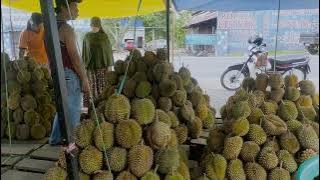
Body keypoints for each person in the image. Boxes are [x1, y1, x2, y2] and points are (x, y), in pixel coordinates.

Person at [49, 0, 89, 145]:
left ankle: (55, 139)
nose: (77, 10)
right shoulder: (66, 29)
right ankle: (71, 146)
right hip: (69, 74)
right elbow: (75, 57)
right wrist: (84, 78)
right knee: (72, 109)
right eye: (75, 6)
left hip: (57, 73)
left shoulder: (50, 26)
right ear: (63, 7)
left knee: (62, 108)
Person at [82, 17, 114, 107]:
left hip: (102, 67)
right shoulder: (87, 36)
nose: (93, 26)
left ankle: (101, 106)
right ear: (90, 24)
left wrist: (109, 67)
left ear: (99, 25)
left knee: (102, 88)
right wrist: (83, 66)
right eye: (92, 24)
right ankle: (91, 108)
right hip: (90, 67)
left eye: (95, 24)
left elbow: (108, 52)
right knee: (91, 88)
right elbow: (84, 52)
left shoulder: (104, 37)